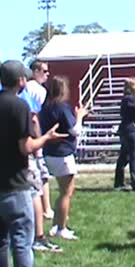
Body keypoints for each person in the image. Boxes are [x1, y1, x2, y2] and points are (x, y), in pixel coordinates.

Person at [0, 60, 65, 267]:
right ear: (21, 80)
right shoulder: (19, 106)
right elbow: (26, 147)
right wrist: (46, 138)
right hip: (14, 185)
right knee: (22, 242)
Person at [40, 76, 88, 240]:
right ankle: (61, 228)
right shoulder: (62, 107)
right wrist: (80, 115)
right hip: (63, 153)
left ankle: (56, 224)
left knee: (62, 191)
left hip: (49, 152)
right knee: (66, 192)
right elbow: (75, 131)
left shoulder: (45, 107)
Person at [26, 60, 55, 220]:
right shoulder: (38, 90)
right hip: (34, 135)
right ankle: (46, 208)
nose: (47, 74)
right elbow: (34, 117)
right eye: (44, 71)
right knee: (42, 174)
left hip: (25, 135)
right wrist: (40, 139)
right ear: (35, 71)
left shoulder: (26, 88)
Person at [114, 78, 135, 192]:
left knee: (124, 158)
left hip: (125, 130)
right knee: (134, 157)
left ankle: (119, 183)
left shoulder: (126, 99)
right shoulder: (129, 99)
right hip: (130, 131)